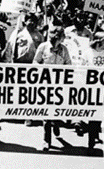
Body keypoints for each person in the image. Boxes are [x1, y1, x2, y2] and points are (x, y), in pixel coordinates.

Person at [33, 21, 71, 151]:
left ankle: (56, 123)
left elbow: (68, 65)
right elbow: (35, 62)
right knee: (46, 114)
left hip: (59, 87)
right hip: (45, 86)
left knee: (55, 112)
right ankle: (46, 140)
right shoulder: (43, 47)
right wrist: (44, 70)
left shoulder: (64, 50)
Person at [81, 32, 104, 154]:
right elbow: (82, 68)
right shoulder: (87, 53)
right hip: (91, 88)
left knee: (100, 115)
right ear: (98, 41)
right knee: (92, 115)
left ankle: (95, 134)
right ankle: (91, 143)